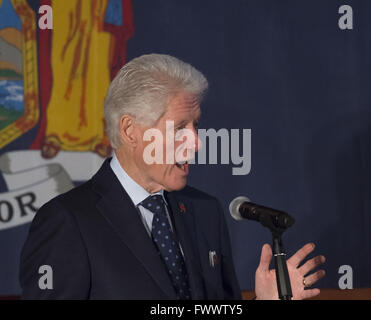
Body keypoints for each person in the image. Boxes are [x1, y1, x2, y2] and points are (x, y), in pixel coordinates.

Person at [19, 54, 325, 299]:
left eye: (195, 126)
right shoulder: (69, 222)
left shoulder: (205, 212)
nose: (196, 143)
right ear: (129, 131)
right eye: (179, 128)